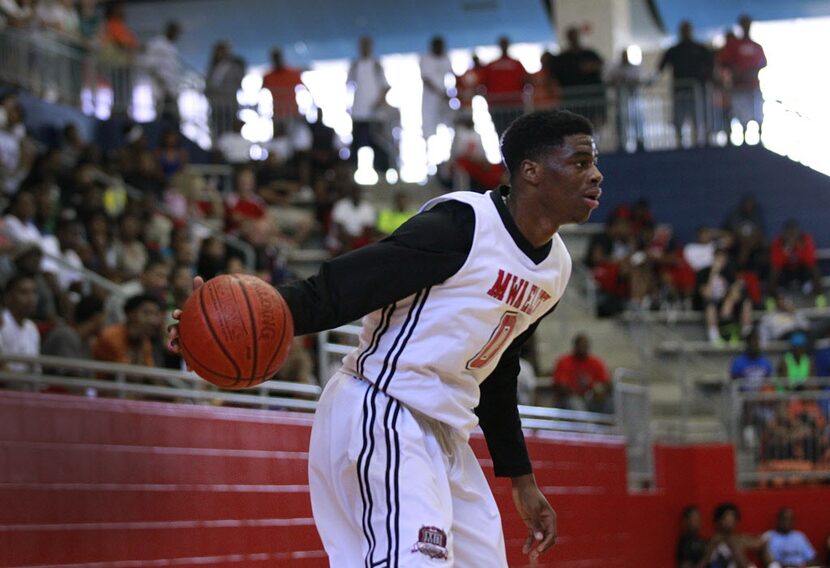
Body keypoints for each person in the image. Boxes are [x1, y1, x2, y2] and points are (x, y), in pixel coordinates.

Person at [169, 109, 604, 566]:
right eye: (579, 162)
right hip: (383, 407)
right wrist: (231, 319)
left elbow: (497, 372)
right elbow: (338, 290)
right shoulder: (461, 226)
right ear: (531, 173)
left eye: (593, 164)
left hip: (447, 432)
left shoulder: (556, 267)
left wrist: (521, 477)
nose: (595, 175)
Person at [658, 21, 714, 146]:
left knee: (698, 118)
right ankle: (680, 141)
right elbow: (660, 67)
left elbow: (711, 64)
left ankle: (698, 141)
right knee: (679, 118)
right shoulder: (674, 50)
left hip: (697, 92)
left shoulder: (700, 49)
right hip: (679, 91)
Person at [347, 36, 391, 173]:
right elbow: (348, 84)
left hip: (375, 115)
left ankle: (381, 173)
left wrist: (379, 102)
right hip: (358, 113)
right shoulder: (355, 65)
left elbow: (385, 86)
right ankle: (354, 172)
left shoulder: (376, 65)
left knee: (378, 145)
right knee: (356, 145)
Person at [718, 15, 767, 136]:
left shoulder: (756, 46)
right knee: (741, 115)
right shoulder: (733, 46)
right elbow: (724, 62)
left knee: (757, 114)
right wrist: (736, 71)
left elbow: (763, 63)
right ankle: (744, 140)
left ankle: (759, 139)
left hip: (753, 87)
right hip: (739, 87)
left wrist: (751, 71)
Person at [551, 333, 611, 412]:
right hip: (570, 398)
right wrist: (576, 393)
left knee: (609, 403)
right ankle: (586, 424)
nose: (583, 348)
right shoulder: (564, 361)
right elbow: (560, 385)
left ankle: (609, 423)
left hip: (591, 399)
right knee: (575, 403)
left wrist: (599, 391)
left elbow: (606, 383)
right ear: (575, 346)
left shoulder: (596, 362)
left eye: (585, 346)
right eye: (580, 346)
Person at [482, 36, 528, 137]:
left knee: (517, 134)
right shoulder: (490, 65)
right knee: (501, 134)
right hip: (497, 107)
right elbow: (482, 85)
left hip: (515, 105)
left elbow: (526, 81)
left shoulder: (517, 64)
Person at [699, 502, 768, 568]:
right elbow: (705, 561)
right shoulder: (714, 540)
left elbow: (759, 543)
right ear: (719, 521)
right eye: (726, 517)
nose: (730, 520)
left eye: (732, 517)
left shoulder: (740, 539)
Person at [0, 273, 40, 373]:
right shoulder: (1, 322)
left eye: (34, 292)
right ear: (8, 297)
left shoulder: (32, 327)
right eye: (24, 292)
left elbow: (35, 369)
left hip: (25, 386)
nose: (31, 298)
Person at [419, 36, 454, 145]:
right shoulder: (425, 59)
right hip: (430, 101)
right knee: (429, 128)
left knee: (449, 125)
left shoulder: (446, 59)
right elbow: (426, 80)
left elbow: (452, 76)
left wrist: (449, 93)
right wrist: (440, 93)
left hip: (444, 100)